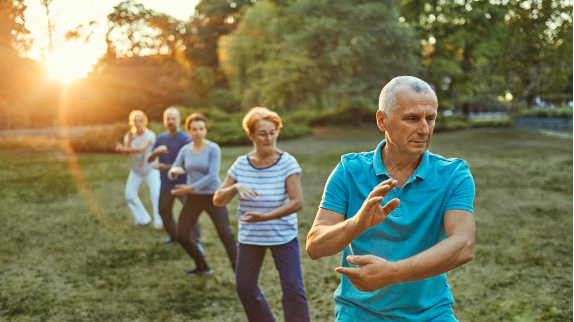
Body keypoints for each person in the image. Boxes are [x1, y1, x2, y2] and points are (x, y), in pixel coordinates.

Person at [306, 76, 476, 321]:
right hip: (359, 313)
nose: (425, 129)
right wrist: (357, 223)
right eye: (412, 118)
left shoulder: (453, 174)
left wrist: (393, 273)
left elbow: (463, 245)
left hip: (431, 313)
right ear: (382, 120)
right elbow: (315, 247)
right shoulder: (349, 170)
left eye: (430, 118)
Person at [213, 107, 310, 322]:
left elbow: (297, 202)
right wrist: (234, 187)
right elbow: (218, 199)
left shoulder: (287, 162)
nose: (269, 138)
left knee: (293, 290)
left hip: (282, 235)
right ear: (251, 135)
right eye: (262, 133)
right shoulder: (241, 164)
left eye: (273, 132)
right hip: (250, 237)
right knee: (245, 287)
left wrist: (265, 217)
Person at [168, 113, 236, 276]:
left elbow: (212, 176)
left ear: (205, 130)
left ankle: (240, 273)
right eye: (194, 129)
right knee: (182, 235)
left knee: (225, 234)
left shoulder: (213, 148)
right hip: (194, 198)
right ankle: (202, 265)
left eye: (201, 129)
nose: (198, 132)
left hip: (213, 196)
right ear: (189, 131)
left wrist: (189, 188)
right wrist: (173, 172)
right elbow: (174, 168)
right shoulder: (185, 150)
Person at [147, 107, 201, 246]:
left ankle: (196, 241)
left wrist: (168, 167)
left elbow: (188, 164)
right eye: (168, 119)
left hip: (182, 183)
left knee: (190, 212)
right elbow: (149, 159)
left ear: (179, 120)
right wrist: (155, 153)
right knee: (163, 212)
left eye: (173, 118)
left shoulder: (185, 139)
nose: (170, 121)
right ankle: (174, 237)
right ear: (164, 121)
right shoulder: (161, 138)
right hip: (166, 184)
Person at [115, 110, 163, 229]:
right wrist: (125, 146)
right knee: (129, 195)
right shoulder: (129, 136)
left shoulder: (150, 135)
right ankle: (143, 219)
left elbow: (142, 149)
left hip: (151, 169)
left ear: (144, 122)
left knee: (156, 194)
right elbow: (127, 154)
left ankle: (159, 222)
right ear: (132, 123)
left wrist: (124, 149)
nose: (137, 123)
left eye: (140, 121)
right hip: (136, 170)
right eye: (135, 121)